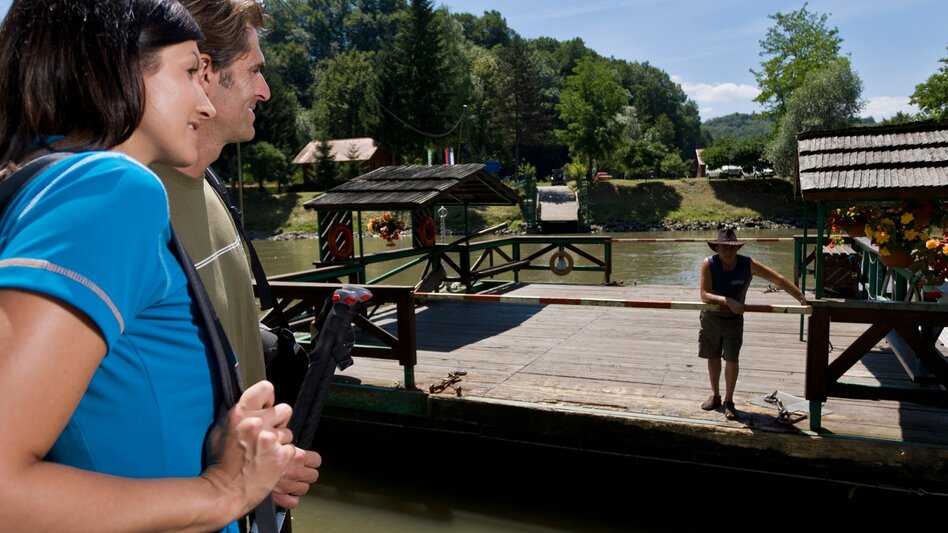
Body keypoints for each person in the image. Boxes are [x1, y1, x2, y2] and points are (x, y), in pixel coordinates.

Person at [0, 1, 294, 531]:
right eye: (188, 72)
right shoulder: (113, 188)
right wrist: (222, 491)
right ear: (120, 69)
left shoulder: (37, 183)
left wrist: (221, 451)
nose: (204, 101)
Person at [150, 0, 320, 509]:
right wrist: (223, 479)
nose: (265, 91)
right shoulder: (134, 204)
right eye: (254, 72)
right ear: (204, 73)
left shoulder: (211, 185)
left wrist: (262, 462)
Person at [698, 228, 806, 420]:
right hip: (711, 317)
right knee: (712, 355)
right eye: (724, 248)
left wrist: (801, 297)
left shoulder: (748, 264)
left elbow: (778, 279)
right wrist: (727, 300)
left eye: (733, 248)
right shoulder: (708, 263)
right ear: (717, 248)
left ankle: (729, 401)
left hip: (734, 319)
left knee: (732, 358)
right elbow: (704, 295)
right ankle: (715, 395)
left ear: (738, 248)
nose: (728, 252)